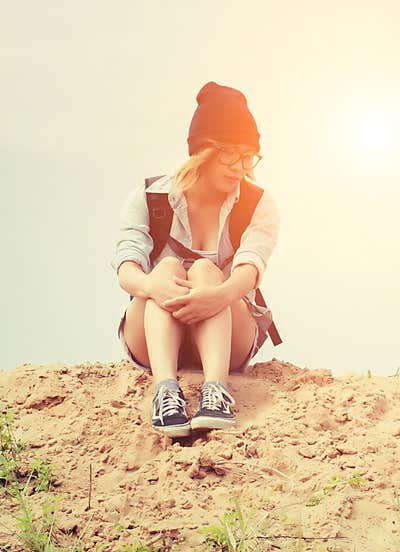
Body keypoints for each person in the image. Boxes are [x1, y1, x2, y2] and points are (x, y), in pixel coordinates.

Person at [111, 81, 280, 437]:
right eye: (229, 153)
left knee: (205, 270)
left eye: (248, 155)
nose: (240, 166)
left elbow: (250, 267)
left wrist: (217, 295)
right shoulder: (149, 197)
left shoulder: (257, 203)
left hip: (228, 333)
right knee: (168, 269)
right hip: (154, 332)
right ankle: (166, 392)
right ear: (203, 150)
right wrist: (152, 286)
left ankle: (216, 392)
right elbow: (126, 267)